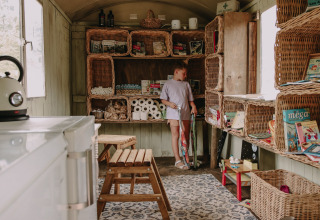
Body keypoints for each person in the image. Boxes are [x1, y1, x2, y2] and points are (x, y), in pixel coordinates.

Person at [160, 61, 197, 170]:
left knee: (185, 136)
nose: (186, 76)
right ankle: (177, 160)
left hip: (185, 113)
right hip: (173, 114)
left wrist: (193, 106)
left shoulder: (186, 84)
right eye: (184, 73)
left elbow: (190, 100)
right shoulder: (168, 84)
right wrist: (170, 104)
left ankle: (186, 159)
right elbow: (163, 100)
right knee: (175, 135)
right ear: (176, 72)